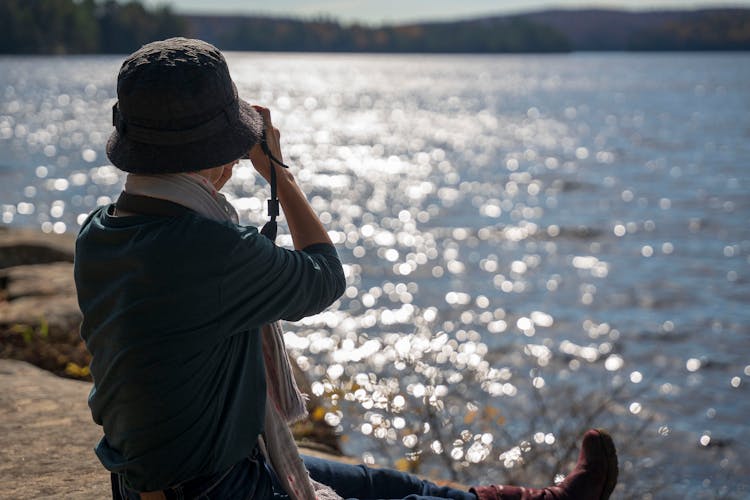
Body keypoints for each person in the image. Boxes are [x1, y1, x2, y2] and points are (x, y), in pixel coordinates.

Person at [74, 37, 618, 500]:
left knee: (381, 483)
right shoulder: (210, 248)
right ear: (219, 148)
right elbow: (325, 275)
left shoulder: (102, 231)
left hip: (145, 479)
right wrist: (280, 174)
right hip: (212, 488)